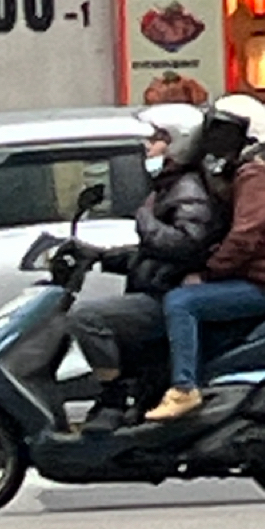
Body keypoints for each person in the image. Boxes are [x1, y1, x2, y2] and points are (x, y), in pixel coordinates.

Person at [145, 94, 265, 422]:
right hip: (260, 278)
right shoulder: (248, 172)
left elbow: (244, 237)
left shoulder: (255, 176)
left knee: (181, 302)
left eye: (223, 131)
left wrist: (209, 273)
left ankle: (184, 388)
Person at [68, 105, 224, 432]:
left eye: (157, 139)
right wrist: (100, 256)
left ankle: (114, 397)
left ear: (179, 142)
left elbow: (187, 243)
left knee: (86, 317)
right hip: (158, 287)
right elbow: (155, 252)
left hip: (165, 296)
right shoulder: (168, 186)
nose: (148, 147)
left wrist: (144, 221)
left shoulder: (188, 189)